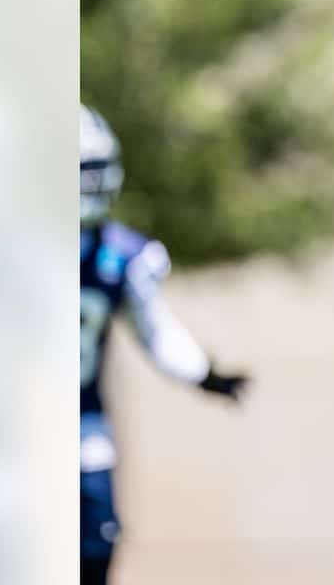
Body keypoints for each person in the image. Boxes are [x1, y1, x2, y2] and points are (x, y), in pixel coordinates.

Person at [79, 104, 250, 585]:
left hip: (81, 427)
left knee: (94, 544)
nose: (91, 184)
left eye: (95, 171)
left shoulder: (119, 253)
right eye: (80, 172)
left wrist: (201, 372)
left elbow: (155, 330)